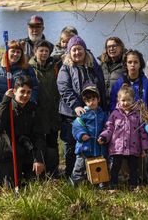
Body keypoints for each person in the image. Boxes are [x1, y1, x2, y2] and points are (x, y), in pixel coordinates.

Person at [57, 35, 106, 178]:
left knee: (92, 144)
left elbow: (101, 86)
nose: (77, 53)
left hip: (92, 113)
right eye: (74, 50)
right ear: (69, 52)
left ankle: (93, 176)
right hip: (71, 114)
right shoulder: (65, 67)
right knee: (72, 146)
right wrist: (76, 106)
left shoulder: (93, 66)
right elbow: (64, 88)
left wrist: (102, 106)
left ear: (84, 50)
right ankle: (71, 176)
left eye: (79, 49)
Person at [0, 75, 46, 185]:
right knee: (11, 185)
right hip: (8, 153)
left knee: (36, 181)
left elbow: (39, 136)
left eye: (29, 92)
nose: (25, 95)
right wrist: (6, 100)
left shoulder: (34, 109)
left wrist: (38, 159)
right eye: (22, 91)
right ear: (15, 91)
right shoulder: (3, 106)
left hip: (27, 151)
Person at [98, 85, 148, 189]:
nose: (125, 103)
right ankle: (113, 184)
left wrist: (145, 148)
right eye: (123, 100)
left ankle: (133, 185)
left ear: (133, 100)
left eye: (128, 100)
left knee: (133, 168)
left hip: (133, 148)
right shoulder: (115, 114)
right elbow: (109, 128)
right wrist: (103, 137)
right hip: (117, 147)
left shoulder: (137, 114)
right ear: (118, 100)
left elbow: (142, 132)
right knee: (115, 167)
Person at [28, 40, 61, 177]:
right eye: (41, 50)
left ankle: (53, 172)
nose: (43, 53)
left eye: (46, 51)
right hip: (37, 112)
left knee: (52, 142)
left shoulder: (54, 67)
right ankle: (38, 173)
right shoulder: (30, 68)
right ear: (35, 52)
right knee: (39, 141)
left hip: (53, 111)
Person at [70, 84, 107, 186]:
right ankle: (74, 183)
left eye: (93, 99)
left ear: (98, 99)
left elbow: (107, 128)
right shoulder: (83, 114)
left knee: (99, 166)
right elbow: (76, 127)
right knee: (79, 167)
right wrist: (82, 135)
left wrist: (103, 136)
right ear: (85, 101)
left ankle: (100, 184)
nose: (91, 102)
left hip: (98, 148)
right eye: (88, 100)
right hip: (84, 148)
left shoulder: (103, 115)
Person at [0, 40, 38, 107]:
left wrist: (28, 103)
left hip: (22, 109)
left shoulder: (27, 68)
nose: (15, 54)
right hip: (2, 109)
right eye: (13, 51)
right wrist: (0, 106)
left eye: (18, 52)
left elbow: (35, 87)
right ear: (7, 52)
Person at [98, 37, 126, 103]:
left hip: (120, 104)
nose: (111, 49)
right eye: (109, 47)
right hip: (103, 105)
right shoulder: (102, 64)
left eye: (114, 46)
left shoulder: (126, 64)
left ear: (121, 48)